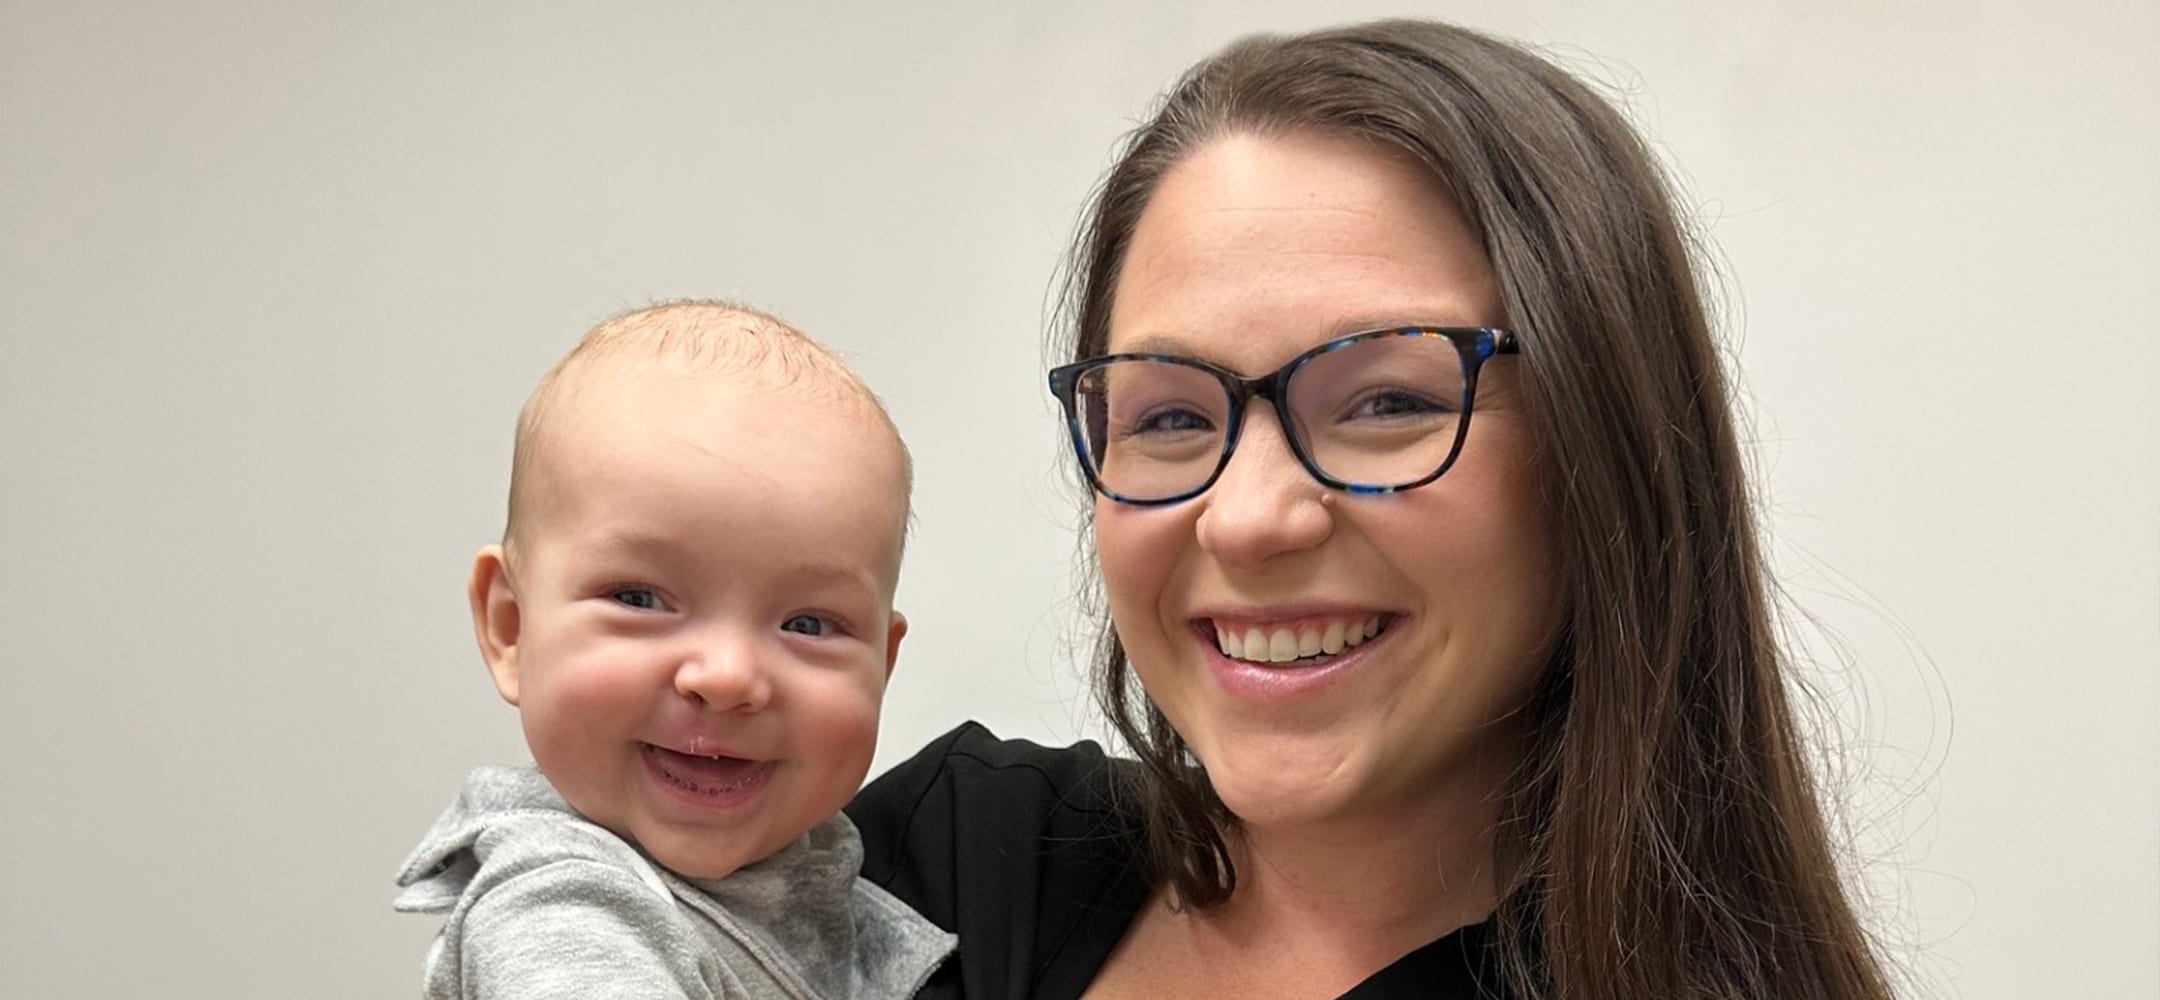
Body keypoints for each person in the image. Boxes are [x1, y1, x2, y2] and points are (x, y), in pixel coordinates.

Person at [846, 19, 1896, 1000]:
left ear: (1604, 456)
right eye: (1168, 415)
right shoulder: (939, 868)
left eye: (1389, 401)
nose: (1248, 518)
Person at [395, 301, 954, 999]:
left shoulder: (836, 885)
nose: (726, 677)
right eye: (638, 598)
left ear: (882, 665)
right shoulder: (561, 906)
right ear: (511, 625)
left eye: (807, 624)